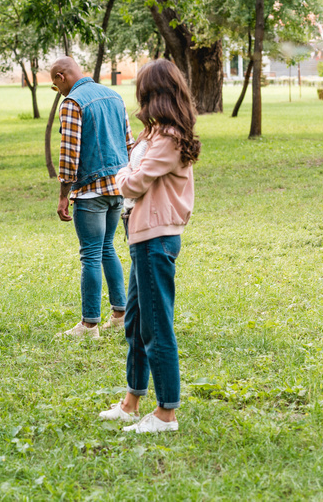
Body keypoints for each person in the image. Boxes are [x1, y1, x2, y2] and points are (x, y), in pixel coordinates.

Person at [100, 59, 199, 434]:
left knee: (157, 326)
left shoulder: (171, 138)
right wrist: (127, 173)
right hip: (141, 235)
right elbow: (133, 176)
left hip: (156, 238)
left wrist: (122, 174)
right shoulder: (153, 134)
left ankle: (166, 414)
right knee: (136, 321)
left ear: (153, 94)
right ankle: (131, 401)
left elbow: (130, 184)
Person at [51, 57, 134, 339]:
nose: (58, 91)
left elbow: (69, 154)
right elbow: (129, 143)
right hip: (118, 188)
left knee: (90, 254)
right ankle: (120, 315)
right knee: (107, 248)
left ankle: (89, 325)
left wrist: (65, 195)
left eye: (56, 85)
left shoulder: (73, 103)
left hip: (90, 190)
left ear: (62, 76)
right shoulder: (114, 95)